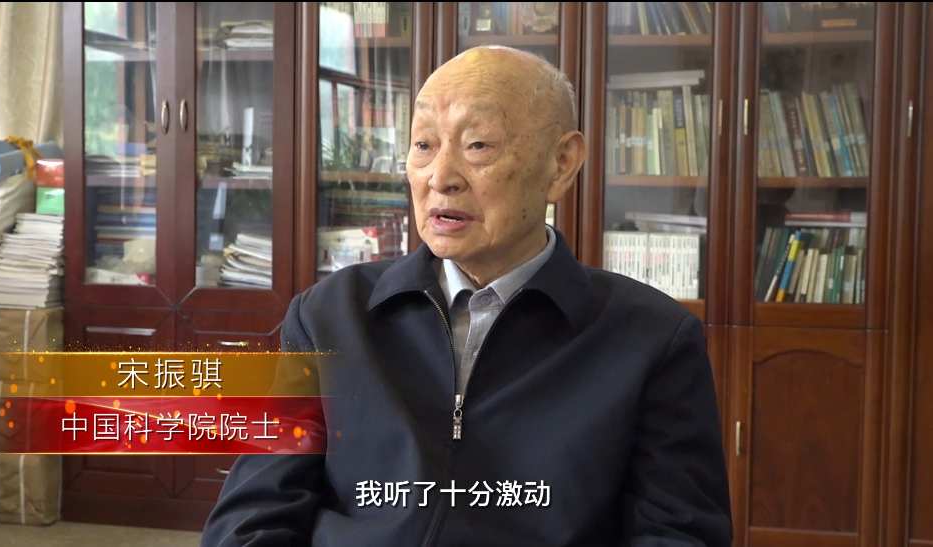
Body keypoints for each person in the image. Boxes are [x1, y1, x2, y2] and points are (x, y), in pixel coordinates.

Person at [201, 45, 733, 547]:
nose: (440, 177)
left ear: (562, 163)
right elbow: (252, 514)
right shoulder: (330, 314)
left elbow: (678, 535)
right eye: (424, 145)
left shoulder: (651, 340)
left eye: (478, 144)